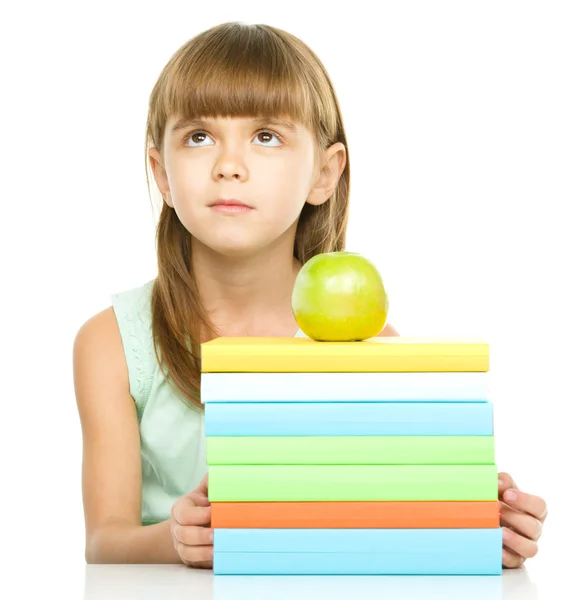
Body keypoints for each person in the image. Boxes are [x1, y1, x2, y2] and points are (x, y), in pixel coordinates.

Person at [73, 21, 547, 569]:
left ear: (325, 173)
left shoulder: (361, 344)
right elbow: (104, 542)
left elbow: (389, 518)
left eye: (266, 136)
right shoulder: (110, 343)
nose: (229, 165)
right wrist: (174, 540)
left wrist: (485, 522)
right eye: (199, 137)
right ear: (162, 173)